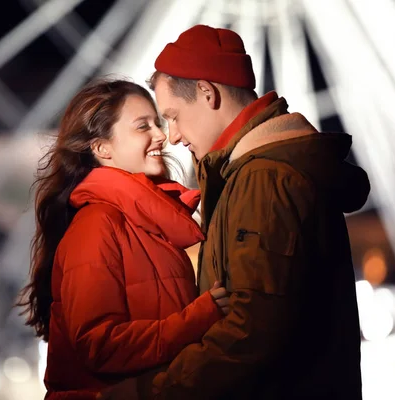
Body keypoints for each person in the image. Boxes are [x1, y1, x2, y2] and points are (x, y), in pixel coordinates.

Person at [100, 25, 370, 400]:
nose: (172, 136)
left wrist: (145, 394)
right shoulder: (259, 173)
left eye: (174, 115)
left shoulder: (264, 179)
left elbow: (252, 333)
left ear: (207, 93)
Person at [17, 78, 230, 400]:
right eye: (143, 126)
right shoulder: (96, 226)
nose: (162, 135)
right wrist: (200, 317)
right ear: (102, 148)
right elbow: (99, 345)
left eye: (157, 123)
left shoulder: (151, 227)